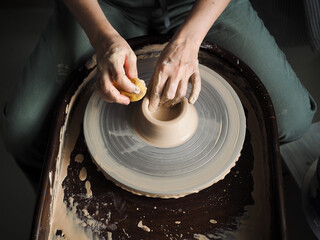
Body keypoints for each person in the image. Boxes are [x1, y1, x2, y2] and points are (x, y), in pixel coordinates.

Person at [0, 0, 317, 189]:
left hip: (200, 5)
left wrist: (190, 40)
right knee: (21, 132)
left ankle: (240, 186)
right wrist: (102, 37)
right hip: (109, 6)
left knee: (293, 117)